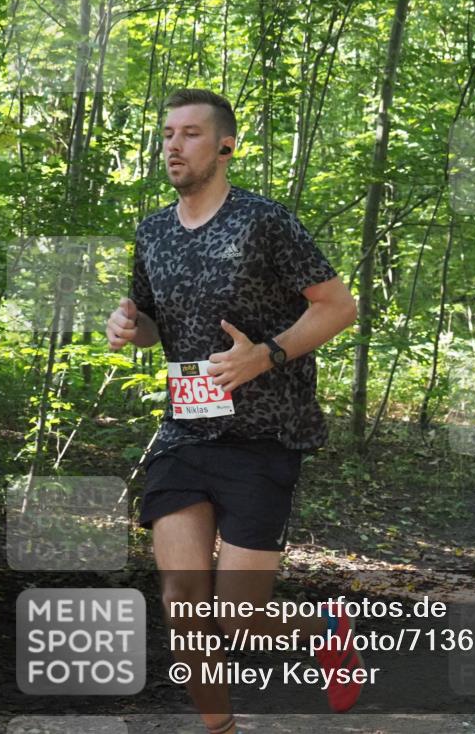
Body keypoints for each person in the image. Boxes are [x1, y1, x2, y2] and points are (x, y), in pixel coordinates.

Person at [106, 89, 361, 734]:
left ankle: (325, 630)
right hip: (184, 433)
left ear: (225, 146)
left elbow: (338, 307)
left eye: (190, 134)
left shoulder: (264, 221)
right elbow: (155, 325)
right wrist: (127, 328)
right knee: (183, 604)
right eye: (167, 133)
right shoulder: (153, 231)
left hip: (261, 434)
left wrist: (264, 355)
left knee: (240, 616)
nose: (172, 145)